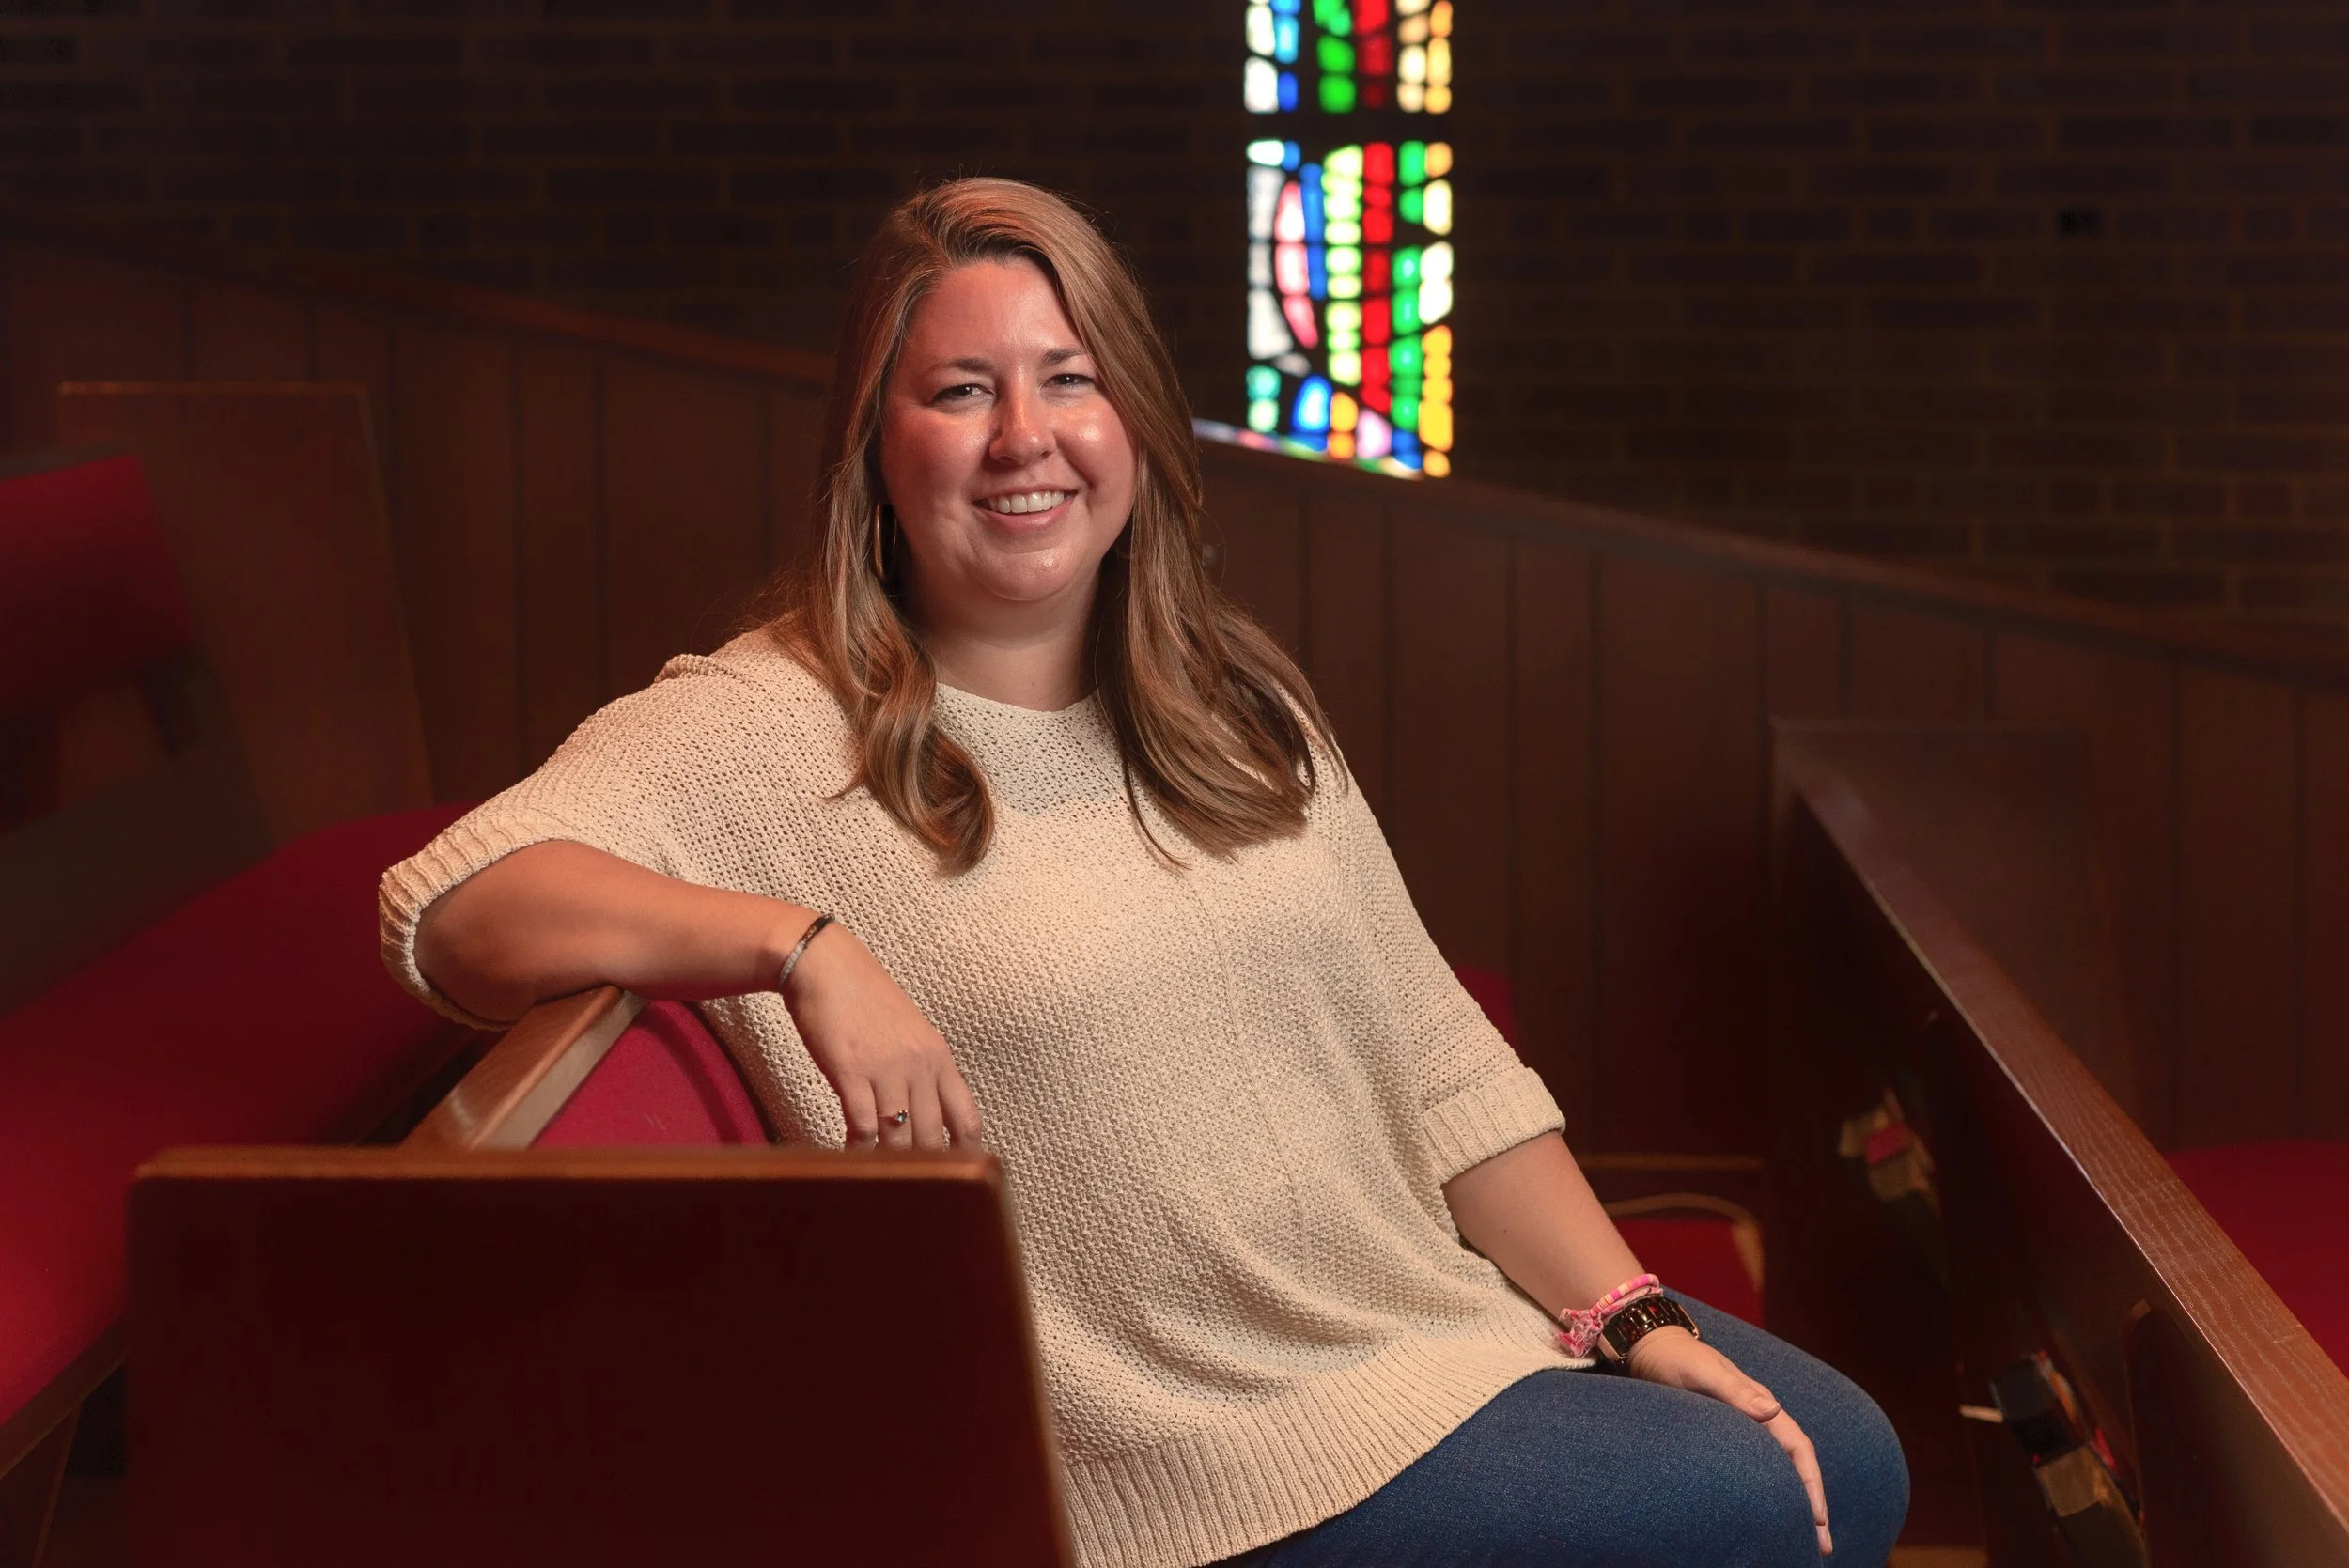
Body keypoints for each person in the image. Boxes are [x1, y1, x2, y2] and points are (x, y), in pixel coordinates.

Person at [381, 178, 1907, 1568]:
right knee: (1761, 1501)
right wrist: (800, 945)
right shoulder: (772, 725)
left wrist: (1625, 1316)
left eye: (1069, 378)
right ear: (873, 444)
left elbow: (1440, 1060)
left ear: (1133, 423)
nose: (1021, 437)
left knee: (1847, 1450)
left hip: (1413, 1327)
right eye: (960, 391)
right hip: (1187, 1467)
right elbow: (450, 906)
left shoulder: (1229, 702)